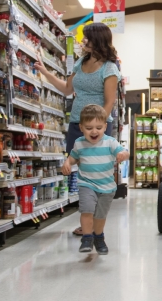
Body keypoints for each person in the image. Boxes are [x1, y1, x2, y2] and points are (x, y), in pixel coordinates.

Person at [36, 22, 120, 236]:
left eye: (87, 38)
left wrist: (97, 126)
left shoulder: (110, 68)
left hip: (98, 127)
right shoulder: (80, 63)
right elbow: (66, 89)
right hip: (77, 123)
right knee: (83, 173)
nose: (83, 41)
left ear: (98, 40)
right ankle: (87, 222)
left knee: (95, 172)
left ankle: (93, 224)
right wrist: (45, 72)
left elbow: (110, 101)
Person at [64, 104, 129, 254]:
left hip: (106, 187)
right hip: (87, 184)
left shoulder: (110, 142)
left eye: (99, 128)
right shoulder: (79, 143)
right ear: (81, 127)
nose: (94, 131)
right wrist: (68, 162)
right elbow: (73, 157)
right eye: (89, 128)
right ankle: (87, 238)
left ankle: (98, 237)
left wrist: (122, 155)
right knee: (86, 210)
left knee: (100, 216)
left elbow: (124, 153)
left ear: (105, 127)